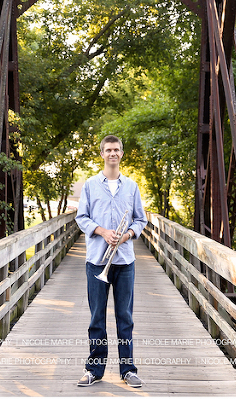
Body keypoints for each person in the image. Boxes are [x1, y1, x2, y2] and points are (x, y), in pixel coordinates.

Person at [75, 135, 147, 388]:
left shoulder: (132, 186)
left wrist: (126, 235)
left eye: (116, 149)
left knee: (125, 317)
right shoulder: (91, 185)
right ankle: (94, 369)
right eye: (108, 150)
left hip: (125, 261)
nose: (113, 153)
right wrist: (103, 232)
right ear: (102, 154)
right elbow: (81, 217)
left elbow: (140, 220)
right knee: (97, 317)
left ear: (122, 153)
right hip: (97, 260)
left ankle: (128, 369)